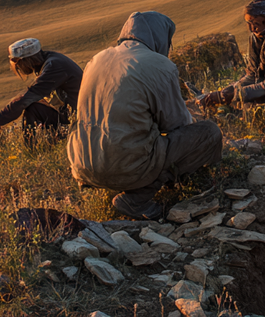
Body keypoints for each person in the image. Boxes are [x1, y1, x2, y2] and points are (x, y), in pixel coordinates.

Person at [67, 11, 223, 220]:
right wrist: (191, 114)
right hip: (125, 166)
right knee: (209, 133)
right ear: (161, 37)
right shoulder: (158, 64)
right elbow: (176, 124)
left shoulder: (96, 59)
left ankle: (122, 180)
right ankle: (136, 198)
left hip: (81, 164)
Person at [0, 37, 83, 146]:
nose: (18, 68)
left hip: (79, 119)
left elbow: (25, 99)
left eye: (17, 64)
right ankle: (41, 147)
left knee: (32, 109)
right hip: (73, 113)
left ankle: (33, 152)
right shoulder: (50, 61)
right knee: (35, 107)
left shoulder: (53, 66)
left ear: (26, 60)